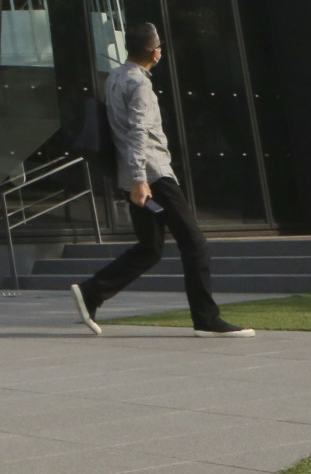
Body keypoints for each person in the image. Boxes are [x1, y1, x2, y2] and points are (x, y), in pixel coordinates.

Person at [71, 22, 253, 339]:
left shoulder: (115, 77)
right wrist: (142, 180)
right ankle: (207, 320)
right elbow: (137, 132)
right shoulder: (140, 85)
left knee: (150, 247)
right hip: (153, 176)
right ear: (155, 52)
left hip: (133, 176)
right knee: (194, 243)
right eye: (160, 47)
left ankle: (91, 293)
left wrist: (133, 179)